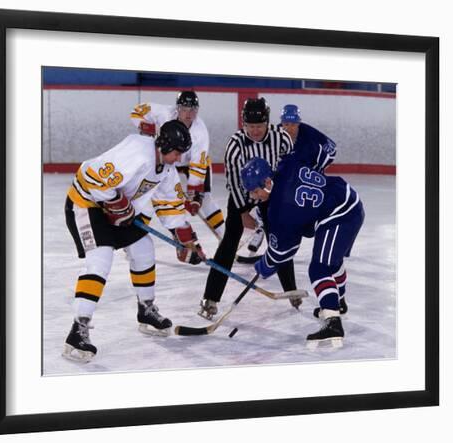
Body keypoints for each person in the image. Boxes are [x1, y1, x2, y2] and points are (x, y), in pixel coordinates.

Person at [62, 120, 206, 362]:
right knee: (100, 260)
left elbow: (170, 206)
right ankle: (78, 330)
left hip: (119, 211)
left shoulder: (167, 170)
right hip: (87, 204)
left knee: (143, 250)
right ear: (163, 145)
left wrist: (186, 240)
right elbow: (89, 175)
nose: (178, 158)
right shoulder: (137, 151)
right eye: (176, 152)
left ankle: (146, 310)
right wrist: (116, 201)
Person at [240, 156, 364, 347]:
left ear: (267, 182)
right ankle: (338, 303)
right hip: (348, 198)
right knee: (333, 261)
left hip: (339, 214)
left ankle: (333, 323)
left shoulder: (281, 209)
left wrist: (263, 266)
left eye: (256, 191)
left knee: (319, 268)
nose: (255, 197)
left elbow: (283, 253)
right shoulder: (287, 164)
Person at [198, 97, 298, 320]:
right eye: (250, 126)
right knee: (228, 245)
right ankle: (210, 299)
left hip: (271, 193)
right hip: (242, 194)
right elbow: (233, 182)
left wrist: (280, 199)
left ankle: (291, 290)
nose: (254, 131)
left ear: (268, 123)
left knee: (278, 239)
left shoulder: (281, 139)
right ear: (243, 124)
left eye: (259, 126)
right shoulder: (235, 145)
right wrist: (243, 212)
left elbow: (289, 170)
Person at [130, 91, 225, 237]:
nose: (188, 114)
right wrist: (150, 128)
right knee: (148, 196)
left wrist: (195, 195)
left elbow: (198, 165)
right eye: (184, 109)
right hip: (168, 159)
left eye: (192, 109)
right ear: (177, 108)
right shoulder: (163, 113)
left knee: (205, 199)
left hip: (189, 163)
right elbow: (137, 111)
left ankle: (225, 237)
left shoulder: (200, 132)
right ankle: (134, 237)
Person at [279, 104, 337, 172]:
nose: (289, 128)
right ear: (282, 123)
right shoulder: (274, 134)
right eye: (286, 124)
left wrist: (317, 170)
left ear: (298, 123)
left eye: (293, 124)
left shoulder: (309, 134)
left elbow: (332, 149)